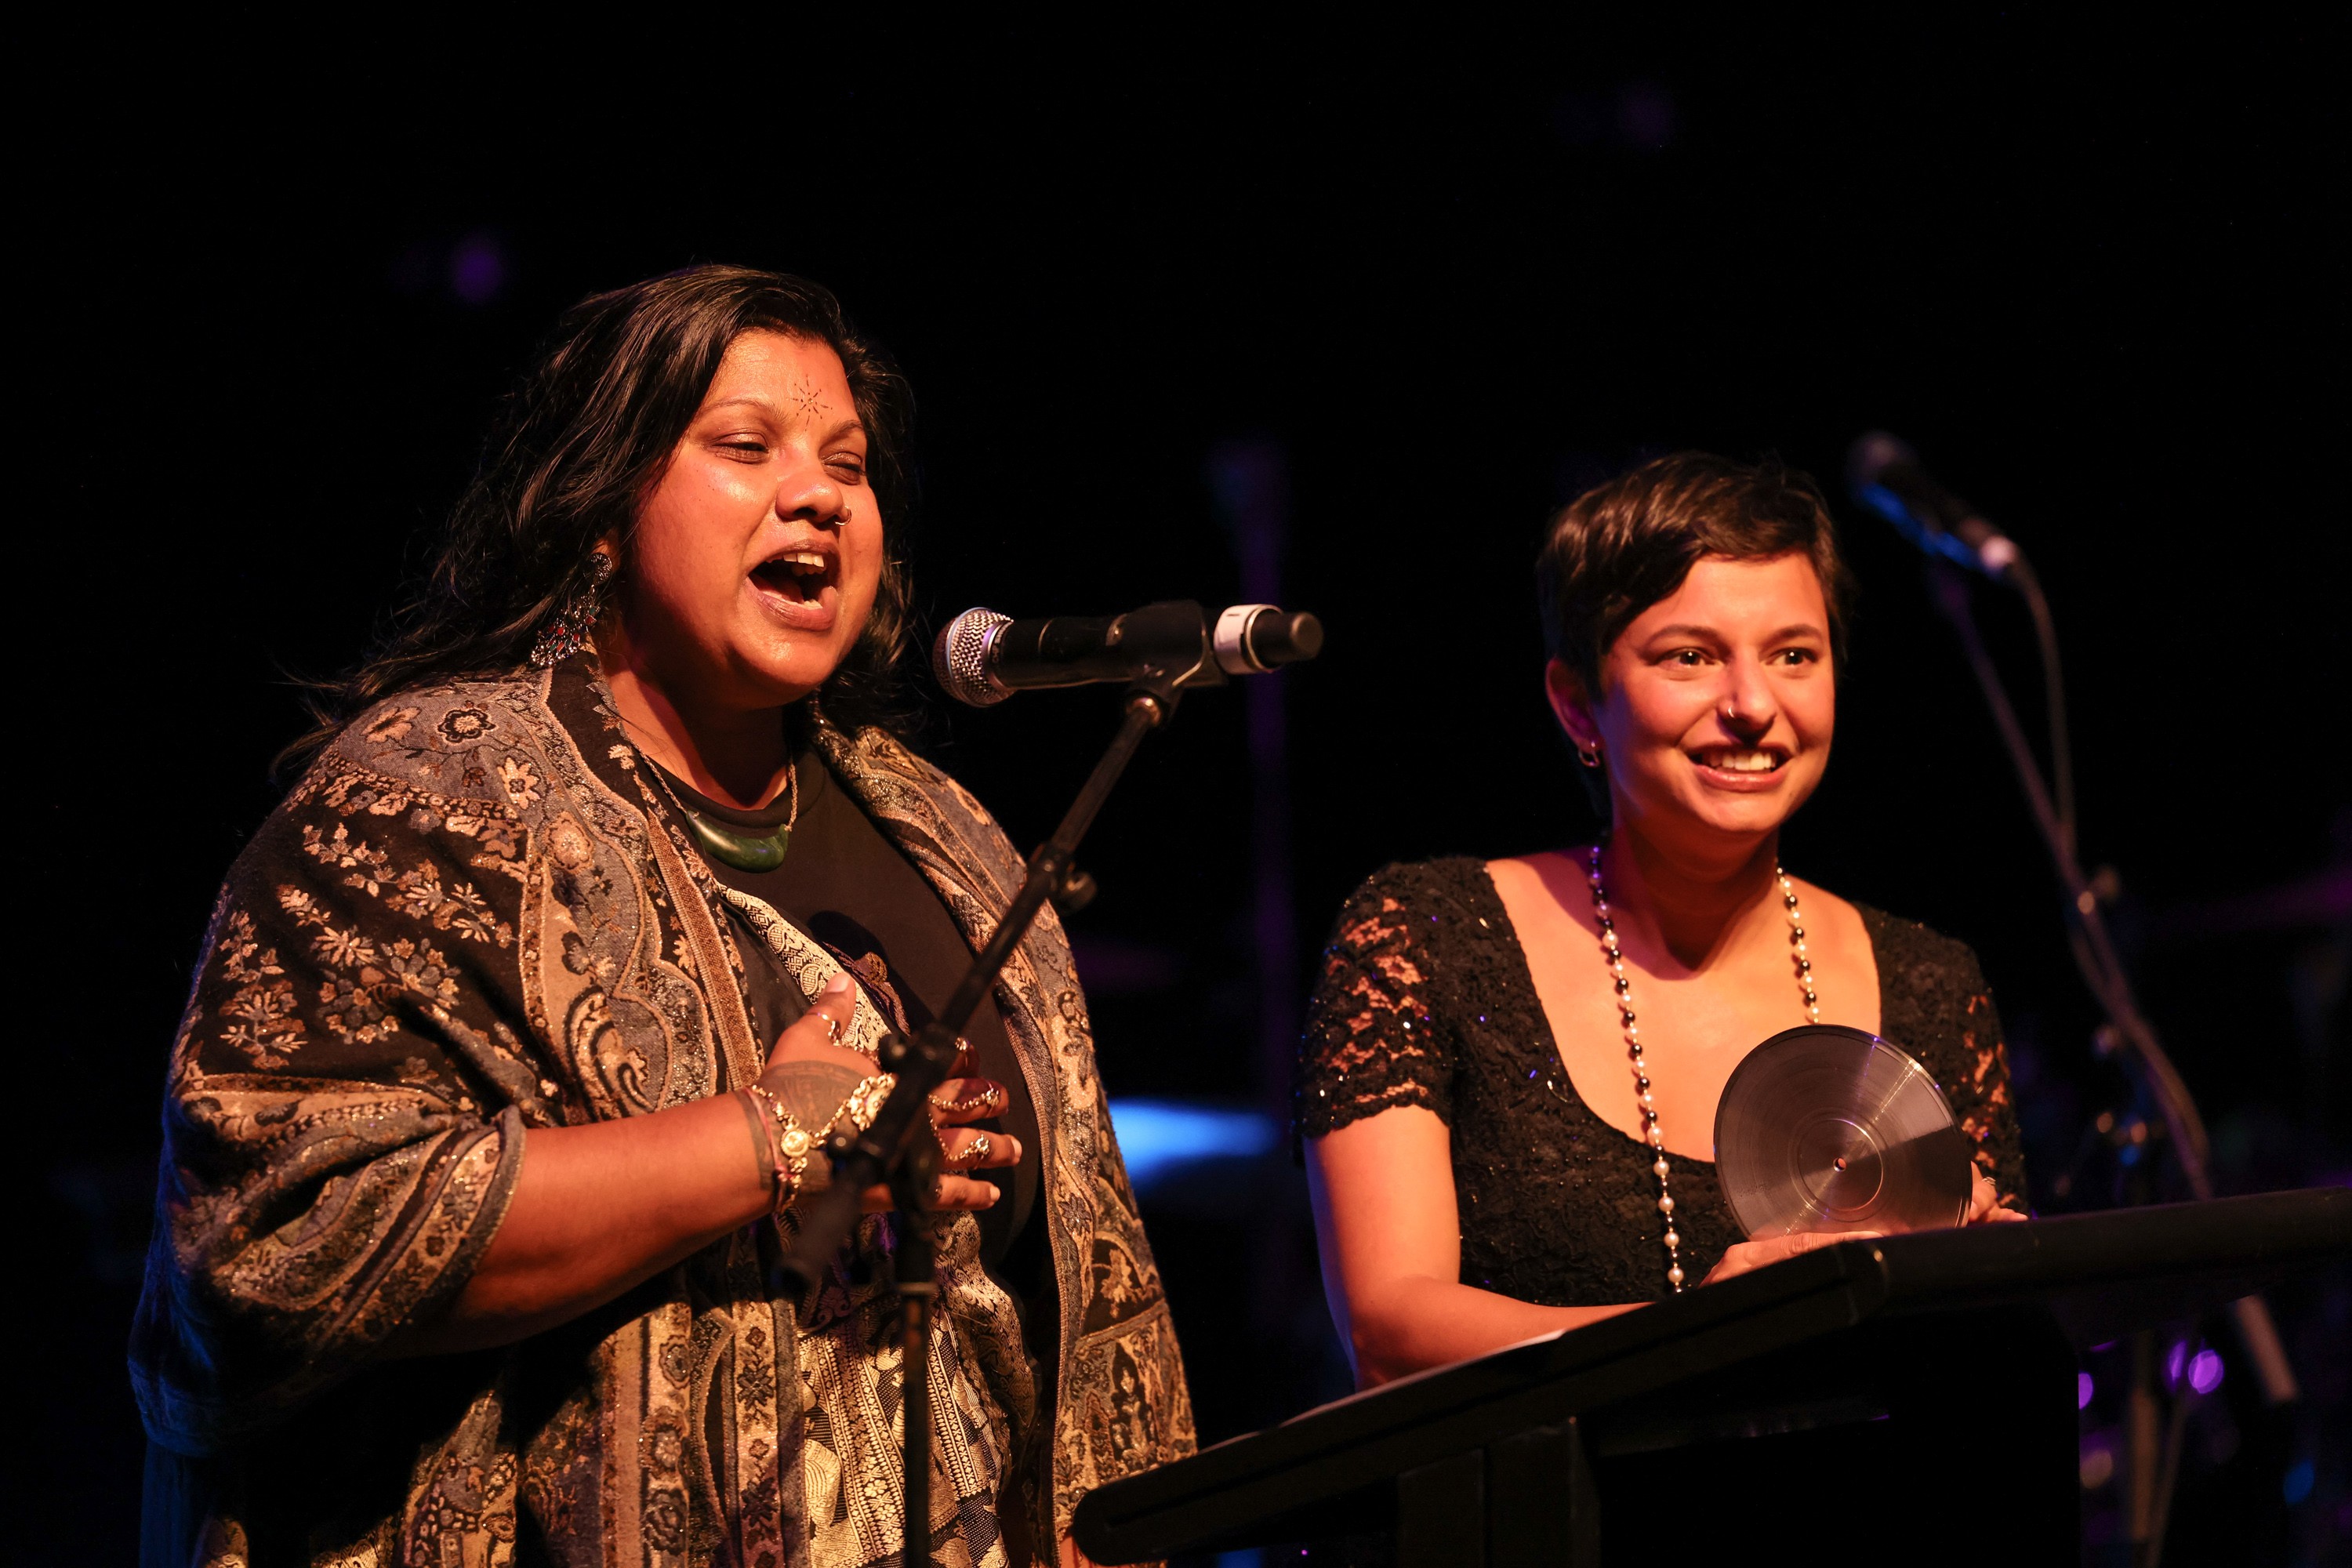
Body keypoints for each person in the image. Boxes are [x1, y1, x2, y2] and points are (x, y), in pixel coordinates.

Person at [131, 266, 1193, 1567]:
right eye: (746, 447)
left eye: (848, 467)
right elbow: (275, 1249)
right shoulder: (423, 804)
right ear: (601, 507)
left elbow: (1086, 1295)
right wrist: (777, 1135)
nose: (818, 494)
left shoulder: (953, 842)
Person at [1298, 453, 2027, 1388]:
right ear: (1577, 704)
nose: (1754, 706)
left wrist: (1989, 1273)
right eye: (1690, 656)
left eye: (1794, 654)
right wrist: (1713, 1331)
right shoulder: (1424, 938)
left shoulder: (1931, 977)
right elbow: (1392, 1326)